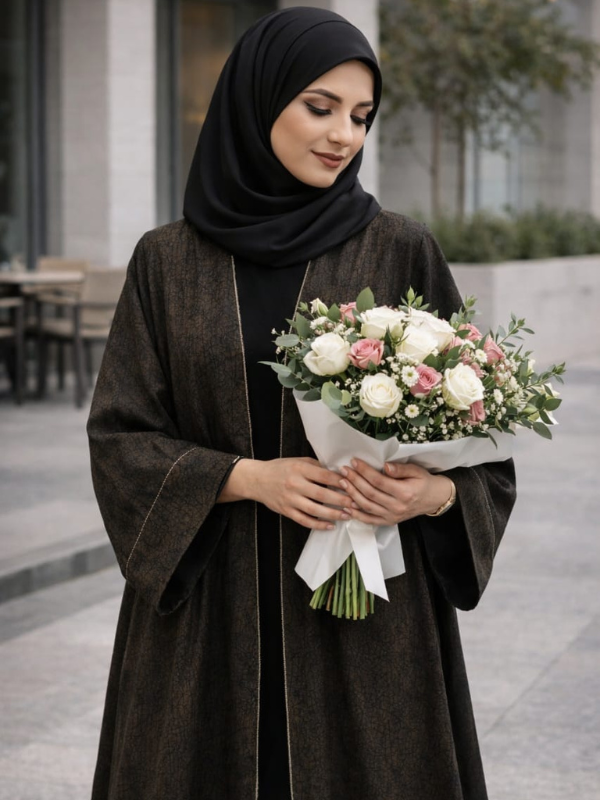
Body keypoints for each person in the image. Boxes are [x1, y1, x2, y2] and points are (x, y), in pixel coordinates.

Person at [87, 7, 516, 800]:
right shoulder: (167, 262)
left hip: (369, 624)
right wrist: (247, 478)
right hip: (208, 617)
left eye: (361, 116)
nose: (343, 135)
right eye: (320, 107)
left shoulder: (400, 248)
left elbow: (485, 450)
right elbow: (120, 437)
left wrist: (430, 494)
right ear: (256, 103)